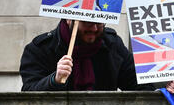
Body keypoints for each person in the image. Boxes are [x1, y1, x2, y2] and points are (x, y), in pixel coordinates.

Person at [20, 19, 153, 91]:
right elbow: (28, 94)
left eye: (99, 23)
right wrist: (54, 80)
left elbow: (141, 87)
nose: (94, 28)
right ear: (68, 19)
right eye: (88, 22)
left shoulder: (112, 44)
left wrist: (167, 90)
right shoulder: (41, 48)